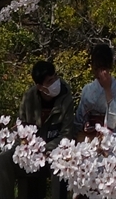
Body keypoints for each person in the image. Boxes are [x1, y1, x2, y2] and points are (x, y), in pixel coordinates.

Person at [19, 60, 75, 199]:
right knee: (4, 159)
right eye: (50, 81)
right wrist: (25, 144)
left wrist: (45, 149)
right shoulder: (29, 98)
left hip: (56, 149)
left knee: (59, 165)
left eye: (55, 77)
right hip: (31, 151)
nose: (56, 82)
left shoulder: (65, 96)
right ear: (40, 87)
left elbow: (67, 133)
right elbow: (21, 126)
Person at [79, 42, 116, 159]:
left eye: (103, 68)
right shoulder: (88, 89)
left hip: (112, 143)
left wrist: (107, 89)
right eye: (97, 68)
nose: (100, 73)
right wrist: (85, 125)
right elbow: (80, 118)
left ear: (109, 67)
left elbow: (114, 121)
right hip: (91, 142)